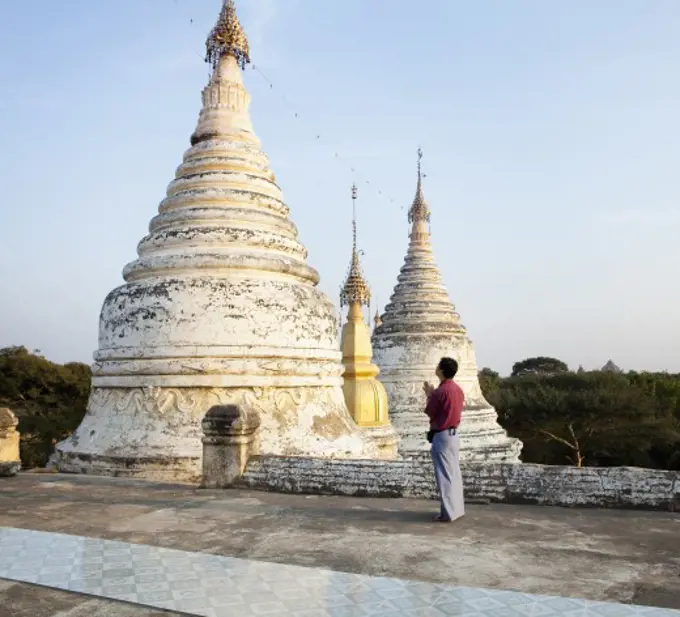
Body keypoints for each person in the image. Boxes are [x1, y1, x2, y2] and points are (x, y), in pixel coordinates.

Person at [423, 357, 465, 523]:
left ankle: (447, 513)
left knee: (444, 475)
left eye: (437, 366)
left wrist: (429, 395)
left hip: (442, 435)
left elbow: (430, 412)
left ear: (441, 370)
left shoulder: (440, 391)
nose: (436, 368)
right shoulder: (458, 389)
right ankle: (456, 510)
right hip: (454, 434)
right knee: (453, 473)